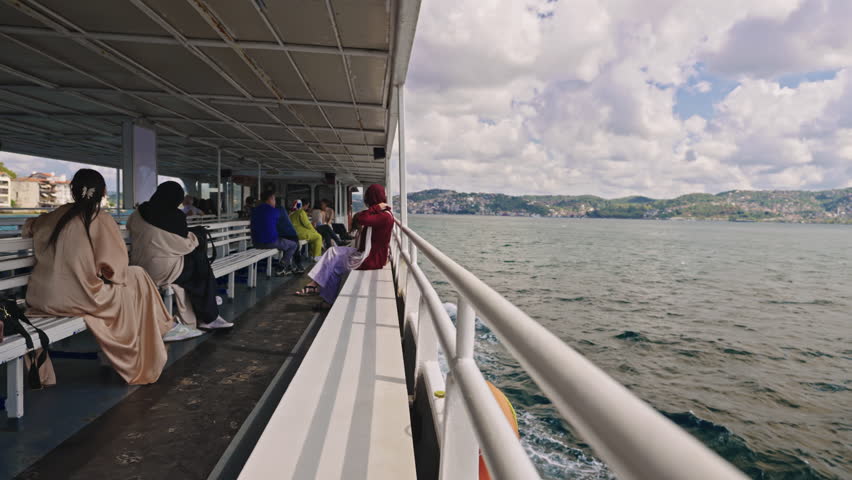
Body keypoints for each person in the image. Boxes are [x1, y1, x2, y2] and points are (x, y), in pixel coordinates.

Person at [23, 169, 176, 385]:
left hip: (42, 298)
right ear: (103, 192)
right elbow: (116, 268)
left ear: (73, 190)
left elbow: (29, 227)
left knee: (136, 278)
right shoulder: (99, 218)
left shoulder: (51, 217)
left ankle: (164, 326)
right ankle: (162, 327)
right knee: (137, 276)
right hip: (80, 298)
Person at [128, 182, 233, 332]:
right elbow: (184, 245)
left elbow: (143, 231)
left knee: (197, 263)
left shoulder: (138, 213)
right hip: (161, 270)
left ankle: (208, 302)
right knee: (199, 262)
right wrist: (197, 236)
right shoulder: (175, 216)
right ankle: (209, 315)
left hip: (138, 267)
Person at [294, 184, 394, 303]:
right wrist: (377, 208)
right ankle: (319, 289)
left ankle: (317, 288)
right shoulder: (381, 214)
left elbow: (361, 218)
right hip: (368, 254)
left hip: (371, 259)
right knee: (332, 256)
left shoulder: (384, 216)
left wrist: (375, 208)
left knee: (334, 264)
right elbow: (360, 217)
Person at [251, 191, 298, 275]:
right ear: (270, 199)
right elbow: (282, 225)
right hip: (270, 242)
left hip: (256, 243)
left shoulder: (254, 210)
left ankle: (283, 266)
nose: (275, 202)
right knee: (293, 245)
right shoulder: (275, 211)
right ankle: (282, 266)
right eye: (274, 199)